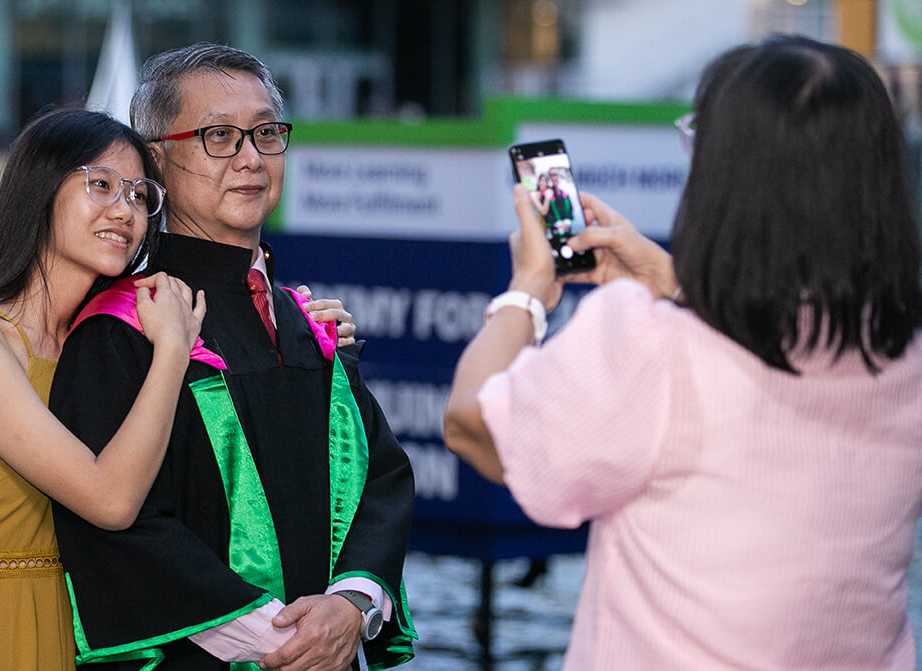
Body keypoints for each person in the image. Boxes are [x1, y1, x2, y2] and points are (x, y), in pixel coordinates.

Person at [444, 34, 922, 670]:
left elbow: (474, 422)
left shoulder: (651, 341)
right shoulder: (903, 346)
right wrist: (673, 282)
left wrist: (528, 291)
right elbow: (777, 338)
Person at [49, 43, 417, 671]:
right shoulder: (122, 330)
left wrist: (353, 606)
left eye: (266, 133)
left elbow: (382, 477)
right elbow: (119, 530)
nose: (250, 158)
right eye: (219, 135)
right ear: (156, 160)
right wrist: (285, 640)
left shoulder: (310, 325)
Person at [0, 107, 206, 670]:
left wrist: (308, 324)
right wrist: (173, 351)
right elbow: (110, 501)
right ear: (39, 190)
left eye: (138, 195)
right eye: (101, 185)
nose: (124, 211)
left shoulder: (99, 345)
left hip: (76, 635)